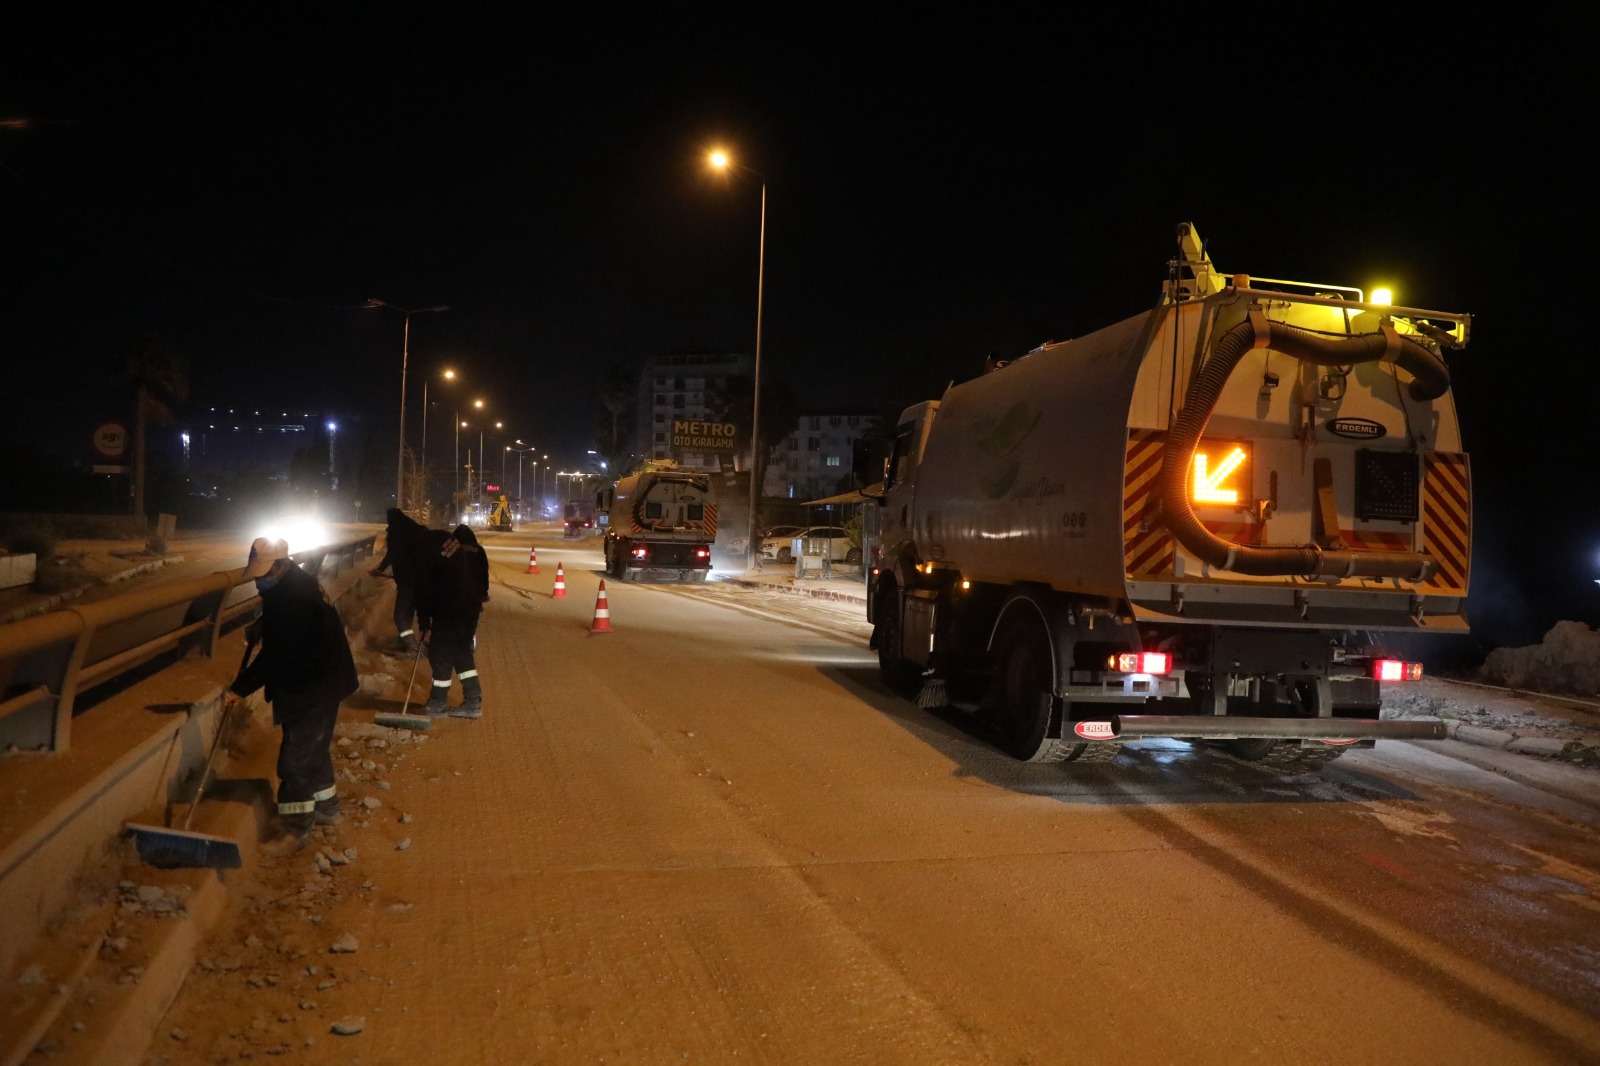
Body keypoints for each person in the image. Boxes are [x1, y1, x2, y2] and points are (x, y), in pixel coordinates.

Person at [228, 537, 359, 856]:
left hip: (313, 684)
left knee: (295, 761)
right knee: (313, 747)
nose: (259, 579)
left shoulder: (293, 599)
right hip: (321, 678)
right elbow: (285, 629)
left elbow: (275, 657)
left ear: (281, 564)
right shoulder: (294, 583)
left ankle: (295, 829)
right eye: (256, 573)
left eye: (263, 572)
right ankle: (326, 807)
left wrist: (238, 689)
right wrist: (264, 625)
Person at [416, 524, 490, 719]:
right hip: (471, 609)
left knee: (441, 652)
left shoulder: (445, 557)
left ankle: (438, 702)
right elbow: (484, 580)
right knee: (462, 651)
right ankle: (473, 701)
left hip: (449, 610)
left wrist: (426, 620)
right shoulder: (479, 551)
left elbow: (430, 589)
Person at [371, 508, 426, 652]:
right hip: (419, 578)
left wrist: (380, 569)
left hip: (407, 580)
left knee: (400, 615)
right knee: (408, 610)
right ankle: (405, 641)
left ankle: (412, 647)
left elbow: (392, 554)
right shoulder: (414, 529)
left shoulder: (396, 531)